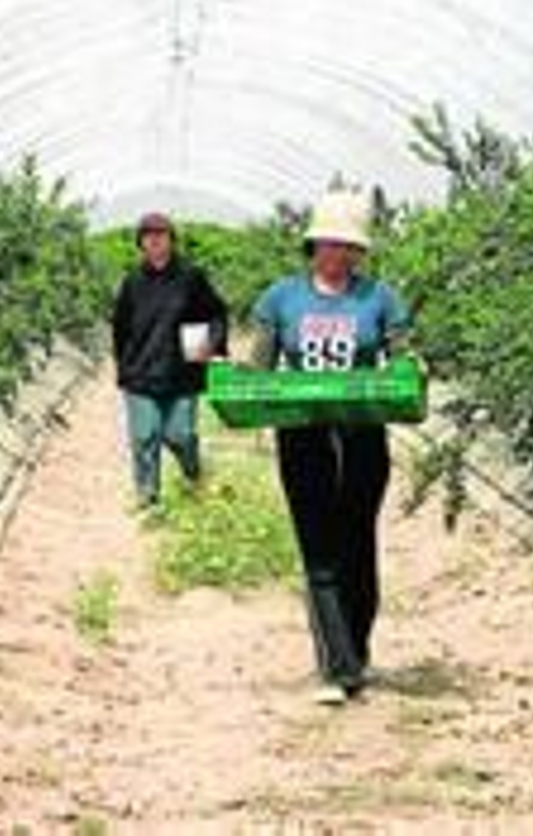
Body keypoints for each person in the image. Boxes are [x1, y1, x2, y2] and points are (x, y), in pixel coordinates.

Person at [250, 190, 413, 706]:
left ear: (358, 251)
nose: (337, 253)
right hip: (302, 433)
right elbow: (260, 370)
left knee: (357, 543)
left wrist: (409, 371)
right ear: (313, 244)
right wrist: (230, 378)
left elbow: (402, 362)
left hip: (362, 434)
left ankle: (355, 649)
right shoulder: (281, 299)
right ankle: (339, 669)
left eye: (348, 246)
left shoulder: (380, 299)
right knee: (318, 546)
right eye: (329, 243)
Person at [111, 211, 229, 508]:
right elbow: (119, 326)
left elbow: (216, 313)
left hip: (182, 374)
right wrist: (124, 367)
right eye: (148, 236)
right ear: (140, 243)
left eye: (161, 235)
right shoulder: (132, 281)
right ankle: (147, 496)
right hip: (141, 373)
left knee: (180, 435)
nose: (155, 241)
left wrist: (209, 348)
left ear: (171, 240)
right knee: (145, 436)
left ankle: (193, 474)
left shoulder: (191, 277)